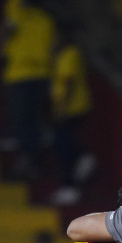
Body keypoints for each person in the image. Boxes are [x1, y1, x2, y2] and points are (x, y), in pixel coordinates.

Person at [0, 0, 54, 180]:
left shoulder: (18, 17)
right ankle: (34, 161)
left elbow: (4, 38)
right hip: (41, 74)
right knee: (34, 120)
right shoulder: (47, 20)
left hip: (19, 74)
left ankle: (28, 161)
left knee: (22, 120)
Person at [49, 24, 95, 206]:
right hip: (66, 109)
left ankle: (70, 187)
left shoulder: (70, 54)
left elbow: (67, 82)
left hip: (71, 109)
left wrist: (62, 109)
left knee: (63, 146)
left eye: (56, 37)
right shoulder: (62, 55)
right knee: (63, 143)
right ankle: (83, 157)